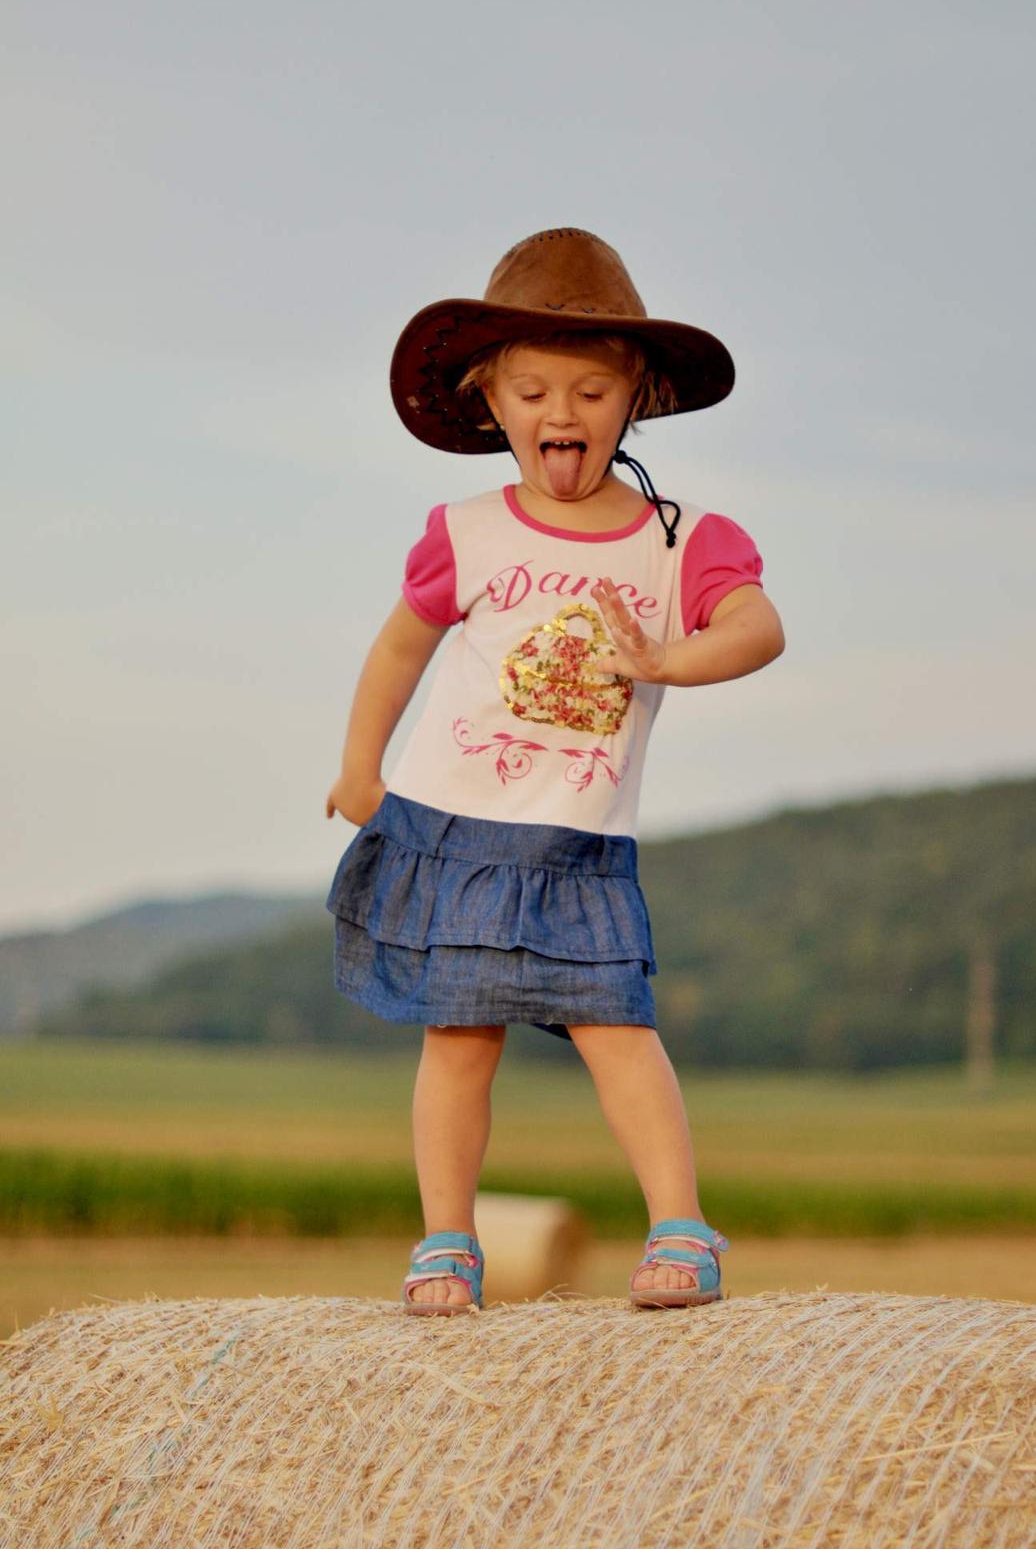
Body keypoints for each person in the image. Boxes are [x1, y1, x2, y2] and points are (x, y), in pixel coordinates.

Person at [325, 228, 785, 1316]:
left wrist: (670, 659)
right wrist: (358, 765)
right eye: (533, 391)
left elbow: (758, 627)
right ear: (490, 400)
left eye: (590, 390)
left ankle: (682, 1228)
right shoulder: (468, 531)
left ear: (638, 397)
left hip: (578, 842)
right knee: (457, 1042)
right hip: (453, 828)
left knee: (619, 1031)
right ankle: (448, 1242)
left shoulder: (680, 540)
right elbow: (399, 649)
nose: (560, 412)